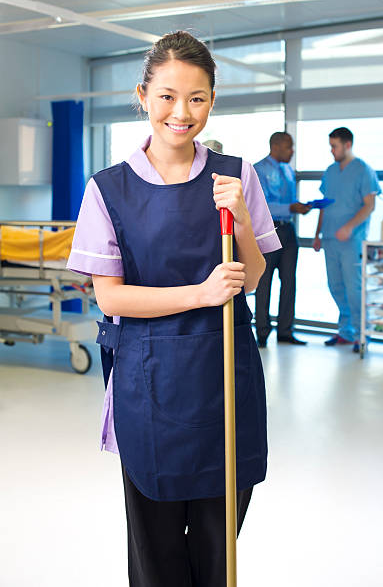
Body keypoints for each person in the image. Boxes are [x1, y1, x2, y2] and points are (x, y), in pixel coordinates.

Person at [67, 31, 281, 587]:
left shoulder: (236, 175)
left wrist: (239, 215)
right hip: (149, 387)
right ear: (143, 96)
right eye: (166, 96)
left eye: (197, 98)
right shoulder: (107, 190)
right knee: (157, 558)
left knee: (218, 555)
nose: (180, 113)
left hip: (223, 382)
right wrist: (200, 294)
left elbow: (252, 277)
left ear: (212, 99)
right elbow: (110, 296)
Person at [313, 127, 381, 353]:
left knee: (354, 289)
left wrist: (349, 227)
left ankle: (362, 336)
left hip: (352, 241)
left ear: (347, 145)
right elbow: (324, 204)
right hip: (330, 239)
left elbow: (370, 205)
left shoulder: (363, 170)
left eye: (335, 146)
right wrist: (317, 234)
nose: (331, 151)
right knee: (336, 287)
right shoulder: (330, 171)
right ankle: (346, 332)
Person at [254, 132, 310, 347]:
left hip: (288, 231)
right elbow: (260, 205)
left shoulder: (287, 170)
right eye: (289, 147)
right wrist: (289, 207)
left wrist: (300, 206)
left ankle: (285, 331)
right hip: (268, 231)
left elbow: (289, 201)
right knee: (264, 282)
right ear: (276, 146)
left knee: (289, 282)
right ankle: (262, 332)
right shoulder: (258, 170)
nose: (292, 151)